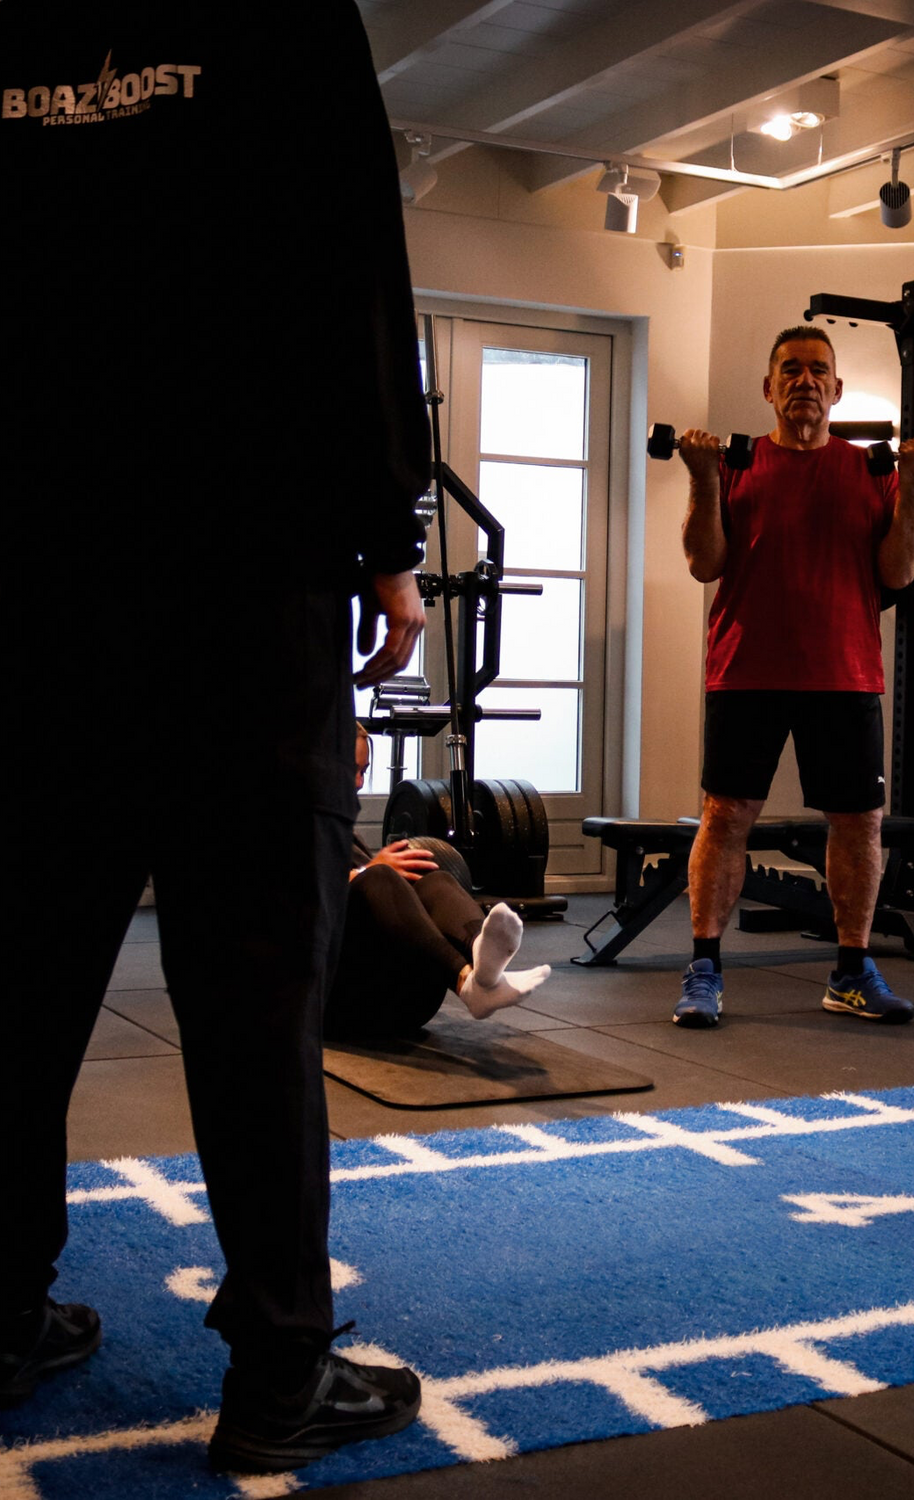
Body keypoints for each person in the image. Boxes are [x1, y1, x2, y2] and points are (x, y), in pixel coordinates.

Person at [2, 0, 438, 1472]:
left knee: (18, 981)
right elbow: (350, 270)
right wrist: (386, 531)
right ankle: (278, 1373)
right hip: (242, 574)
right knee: (257, 981)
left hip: (37, 586)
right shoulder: (283, 10)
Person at [669, 326, 914, 1028]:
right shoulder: (734, 463)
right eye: (790, 370)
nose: (805, 382)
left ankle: (851, 973)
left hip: (845, 673)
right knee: (725, 817)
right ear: (768, 387)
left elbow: (900, 573)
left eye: (819, 371)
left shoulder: (871, 470)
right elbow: (704, 562)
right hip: (746, 669)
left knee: (858, 824)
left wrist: (913, 488)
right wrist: (701, 476)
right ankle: (703, 969)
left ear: (838, 390)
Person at [328, 726, 550, 1037]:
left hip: (409, 1003)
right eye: (352, 770)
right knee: (379, 877)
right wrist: (366, 872)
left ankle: (482, 968)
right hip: (337, 1004)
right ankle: (467, 984)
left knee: (434, 878)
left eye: (363, 771)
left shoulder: (346, 837)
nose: (359, 782)